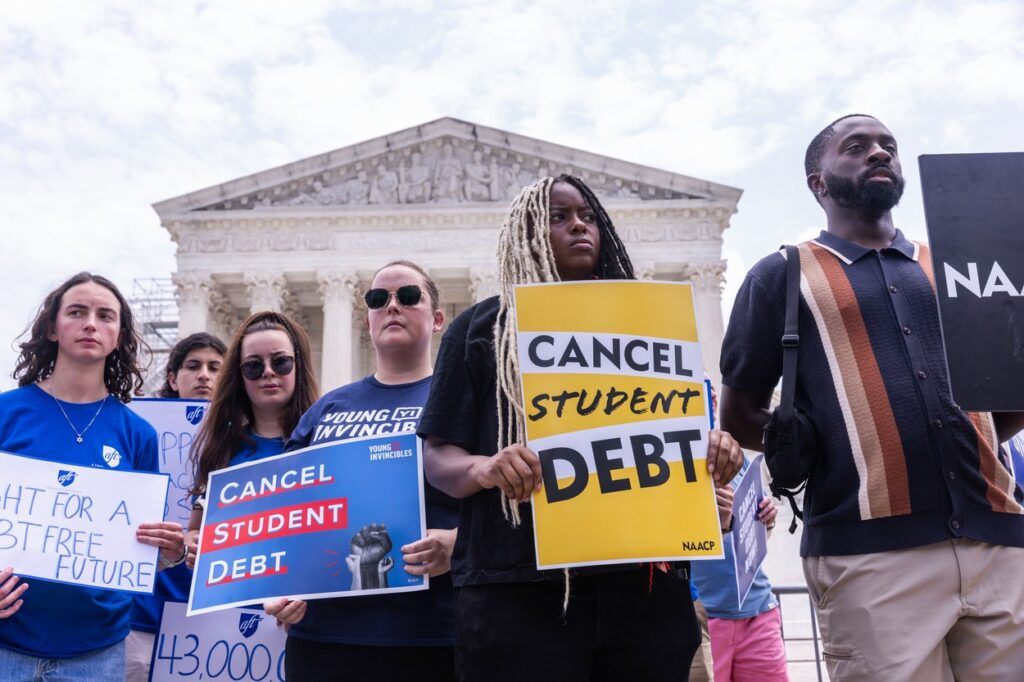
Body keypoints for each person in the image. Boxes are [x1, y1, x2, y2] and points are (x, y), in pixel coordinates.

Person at [720, 114, 1024, 681]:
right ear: (819, 182)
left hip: (1000, 544)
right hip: (869, 560)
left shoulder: (964, 268)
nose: (878, 153)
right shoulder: (780, 276)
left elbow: (1000, 407)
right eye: (856, 147)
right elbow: (738, 418)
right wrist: (842, 447)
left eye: (888, 146)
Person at [418, 175, 744, 682]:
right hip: (519, 592)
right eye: (559, 217)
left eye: (588, 216)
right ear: (527, 232)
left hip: (643, 594)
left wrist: (712, 452)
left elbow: (667, 442)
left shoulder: (647, 327)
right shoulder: (480, 330)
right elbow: (438, 457)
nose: (578, 227)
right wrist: (487, 468)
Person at [0, 272, 186, 680]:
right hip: (5, 641)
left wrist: (171, 552)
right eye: (77, 312)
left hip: (97, 652)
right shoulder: (5, 413)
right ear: (52, 327)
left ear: (118, 336)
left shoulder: (138, 434)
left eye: (105, 315)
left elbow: (135, 549)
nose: (90, 323)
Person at [282, 260, 459, 681]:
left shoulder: (462, 401)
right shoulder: (327, 409)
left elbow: (511, 506)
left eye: (408, 296)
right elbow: (283, 511)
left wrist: (458, 543)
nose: (392, 306)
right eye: (379, 299)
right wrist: (275, 587)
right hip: (325, 637)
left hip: (433, 637)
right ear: (368, 319)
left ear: (437, 319)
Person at [183, 311, 319, 634]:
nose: (268, 373)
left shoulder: (324, 445)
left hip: (304, 626)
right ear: (240, 376)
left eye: (281, 362)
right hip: (231, 628)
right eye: (254, 366)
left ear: (298, 367)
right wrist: (194, 546)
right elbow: (195, 531)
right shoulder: (223, 450)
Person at [125, 331, 227, 681]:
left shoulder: (245, 441)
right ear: (172, 378)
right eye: (193, 366)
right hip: (145, 612)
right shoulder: (140, 433)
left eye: (216, 368)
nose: (204, 375)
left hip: (212, 618)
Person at [692, 458, 788, 682]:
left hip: (758, 610)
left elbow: (755, 539)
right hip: (705, 619)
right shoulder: (677, 465)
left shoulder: (738, 461)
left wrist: (768, 520)